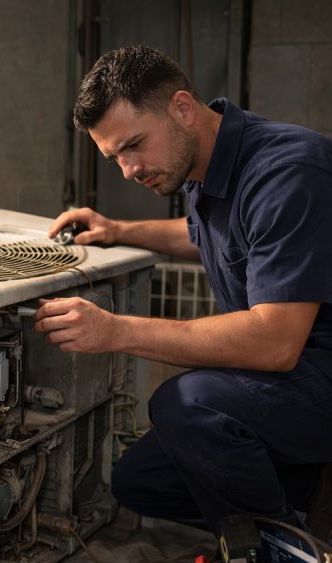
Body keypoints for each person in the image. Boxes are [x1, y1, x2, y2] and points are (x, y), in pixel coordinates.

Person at [33, 46, 332, 536]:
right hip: (292, 376)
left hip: (316, 370)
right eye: (115, 158)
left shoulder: (287, 172)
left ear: (183, 108)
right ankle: (311, 488)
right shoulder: (200, 163)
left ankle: (278, 559)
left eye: (134, 145)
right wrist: (118, 229)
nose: (128, 170)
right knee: (140, 482)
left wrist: (115, 331)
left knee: (187, 403)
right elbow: (206, 234)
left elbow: (275, 343)